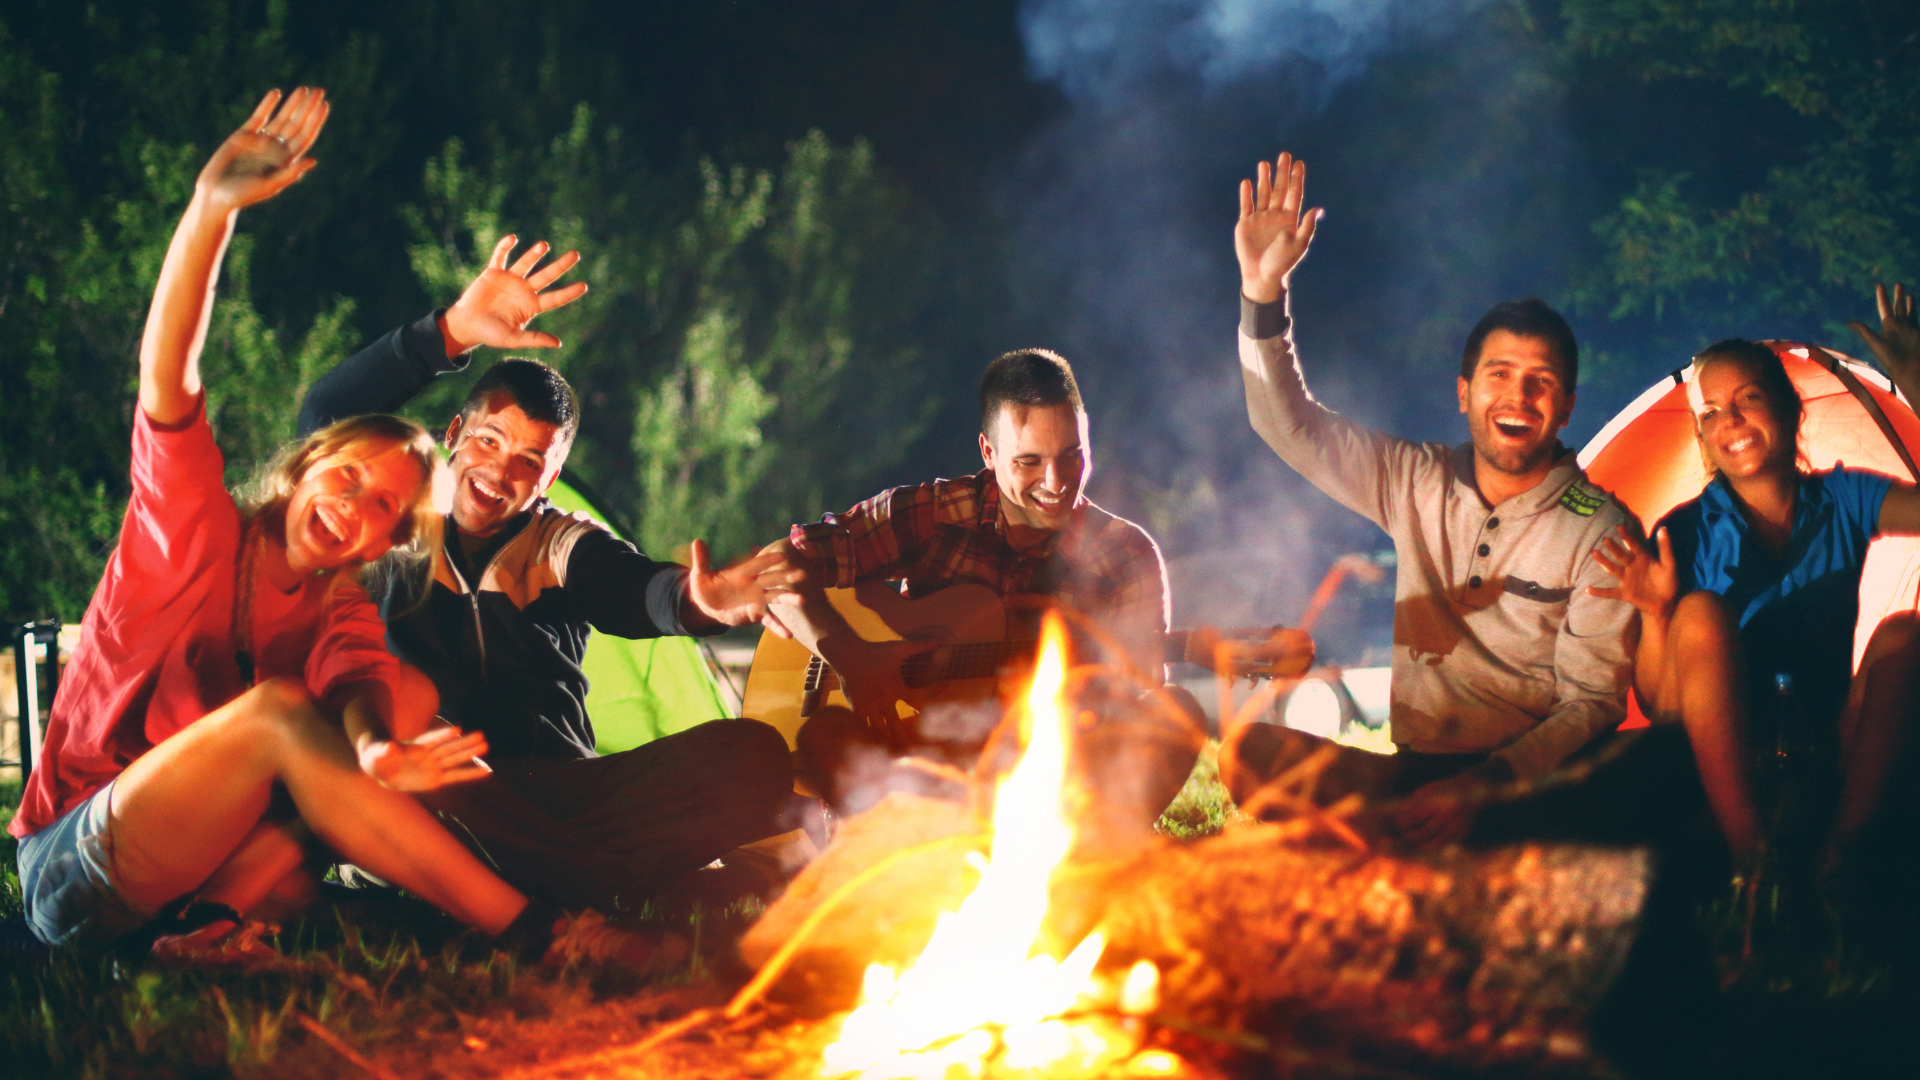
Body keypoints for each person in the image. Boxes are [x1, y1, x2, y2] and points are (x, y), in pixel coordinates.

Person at [10, 89, 654, 967]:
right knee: (277, 710)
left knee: (407, 693)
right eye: (347, 476)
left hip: (197, 873)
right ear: (303, 465)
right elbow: (169, 373)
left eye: (385, 506)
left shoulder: (340, 604)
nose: (354, 506)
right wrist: (210, 211)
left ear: (389, 539)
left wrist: (379, 752)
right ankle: (545, 933)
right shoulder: (191, 520)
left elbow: (359, 689)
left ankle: (211, 931)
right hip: (76, 862)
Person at [297, 235, 803, 911]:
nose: (499, 473)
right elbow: (322, 420)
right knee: (378, 780)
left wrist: (696, 602)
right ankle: (610, 892)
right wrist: (444, 334)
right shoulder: (395, 524)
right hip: (438, 789)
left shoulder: (557, 544)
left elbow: (633, 591)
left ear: (552, 477)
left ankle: (534, 890)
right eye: (488, 441)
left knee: (754, 758)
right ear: (454, 432)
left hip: (557, 794)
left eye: (528, 462)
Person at [1224, 151, 1655, 848]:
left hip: (1523, 789)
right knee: (1252, 755)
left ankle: (1428, 861)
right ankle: (1415, 850)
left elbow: (1591, 704)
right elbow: (1288, 424)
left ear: (1568, 406)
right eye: (1499, 375)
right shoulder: (1413, 480)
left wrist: (1484, 787)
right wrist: (1261, 294)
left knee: (1543, 823)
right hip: (1415, 776)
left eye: (1541, 382)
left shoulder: (1600, 529)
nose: (1518, 397)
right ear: (1464, 393)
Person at [773, 347, 1201, 846]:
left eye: (1072, 457)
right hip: (921, 763)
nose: (1055, 482)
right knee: (826, 737)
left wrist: (1076, 700)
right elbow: (777, 571)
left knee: (1174, 714)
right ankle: (923, 841)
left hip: (1053, 768)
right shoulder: (930, 514)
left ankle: (1063, 853)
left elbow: (1136, 694)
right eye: (1029, 461)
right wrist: (849, 656)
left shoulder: (1123, 554)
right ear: (989, 453)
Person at [1593, 293, 1920, 892]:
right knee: (1701, 613)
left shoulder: (1845, 500)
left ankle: (1841, 859)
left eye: (1748, 399)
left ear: (1792, 409)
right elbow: (1662, 705)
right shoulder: (1683, 533)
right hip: (1722, 772)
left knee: (1905, 633)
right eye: (1712, 411)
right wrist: (1655, 612)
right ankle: (1755, 863)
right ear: (1701, 432)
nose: (1731, 423)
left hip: (1824, 749)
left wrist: (1918, 387)